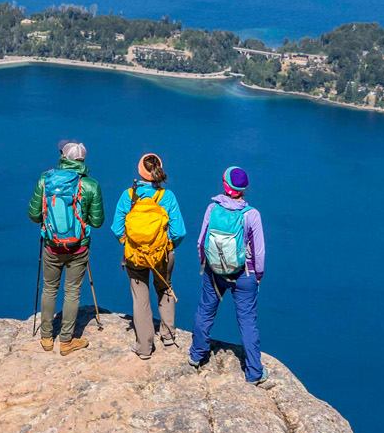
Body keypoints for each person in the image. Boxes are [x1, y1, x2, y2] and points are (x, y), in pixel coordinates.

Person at [189, 166, 269, 385]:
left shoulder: (212, 208)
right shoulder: (251, 214)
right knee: (247, 321)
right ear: (245, 188)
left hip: (214, 271)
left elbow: (200, 241)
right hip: (244, 274)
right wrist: (258, 275)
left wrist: (206, 264)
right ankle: (254, 372)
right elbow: (259, 251)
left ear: (225, 185)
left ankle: (197, 355)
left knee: (205, 311)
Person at [27, 139, 105, 354]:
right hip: (78, 248)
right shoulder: (90, 185)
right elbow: (97, 222)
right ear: (82, 160)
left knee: (49, 289)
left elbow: (34, 215)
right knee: (72, 293)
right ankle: (67, 341)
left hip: (52, 246)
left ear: (63, 157)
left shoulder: (46, 180)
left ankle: (46, 338)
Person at [111, 152, 186, 359]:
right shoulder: (167, 196)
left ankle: (144, 347)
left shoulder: (128, 196)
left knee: (140, 298)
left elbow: (117, 229)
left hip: (136, 256)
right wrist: (167, 246)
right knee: (165, 288)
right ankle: (168, 336)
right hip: (162, 254)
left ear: (140, 171)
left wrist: (132, 244)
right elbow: (179, 231)